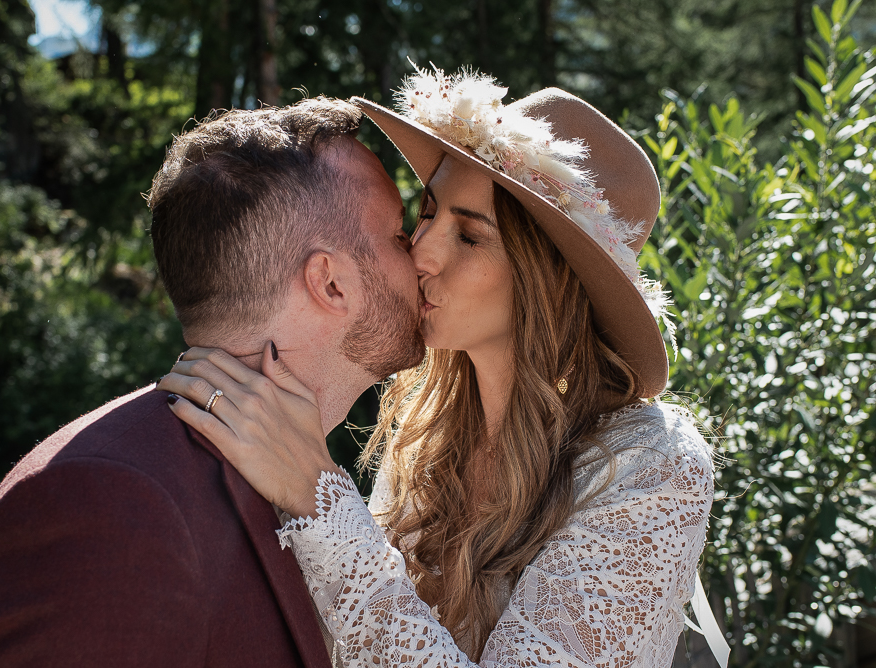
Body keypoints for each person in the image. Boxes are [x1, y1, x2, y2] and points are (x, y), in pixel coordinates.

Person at [158, 67, 719, 668]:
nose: (420, 250)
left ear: (549, 279)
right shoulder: (427, 433)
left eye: (469, 236)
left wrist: (319, 502)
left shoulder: (649, 466)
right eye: (428, 212)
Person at [0, 97, 426, 667]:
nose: (422, 256)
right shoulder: (108, 503)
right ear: (330, 283)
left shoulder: (284, 485)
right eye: (399, 235)